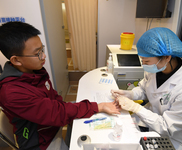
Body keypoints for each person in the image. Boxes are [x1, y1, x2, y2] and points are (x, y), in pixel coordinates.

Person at [0, 21, 120, 150]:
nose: (44, 56)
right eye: (37, 53)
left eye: (42, 49)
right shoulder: (12, 92)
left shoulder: (35, 71)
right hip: (41, 142)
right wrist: (97, 106)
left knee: (87, 109)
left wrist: (89, 107)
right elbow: (55, 113)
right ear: (16, 60)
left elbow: (54, 99)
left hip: (51, 125)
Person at [111, 27, 182, 150]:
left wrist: (135, 107)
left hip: (175, 139)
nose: (144, 65)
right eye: (142, 60)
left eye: (146, 61)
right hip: (150, 122)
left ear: (167, 57)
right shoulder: (156, 68)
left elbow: (167, 127)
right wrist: (130, 94)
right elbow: (144, 89)